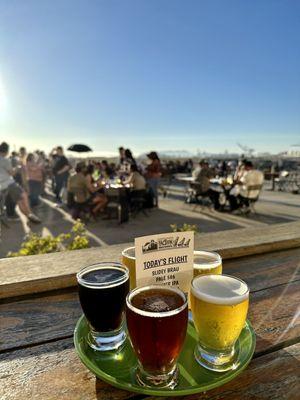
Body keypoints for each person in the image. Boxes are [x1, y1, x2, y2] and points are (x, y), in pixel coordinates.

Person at [0, 142, 41, 223]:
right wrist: (18, 167)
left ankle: (29, 216)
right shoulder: (5, 160)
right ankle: (30, 214)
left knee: (19, 201)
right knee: (24, 196)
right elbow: (12, 173)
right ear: (6, 150)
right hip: (9, 183)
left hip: (2, 186)